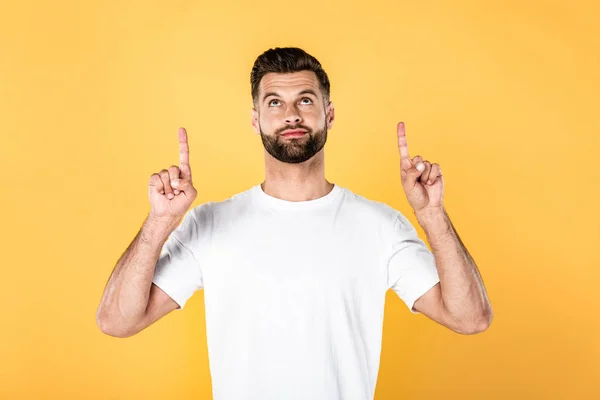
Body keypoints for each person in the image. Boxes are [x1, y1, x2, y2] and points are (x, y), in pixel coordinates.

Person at [96, 47, 492, 400]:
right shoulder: (210, 224)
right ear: (256, 120)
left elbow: (469, 318)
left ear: (329, 113)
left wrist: (432, 216)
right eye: (274, 103)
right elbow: (117, 321)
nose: (291, 115)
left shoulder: (380, 226)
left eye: (305, 100)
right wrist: (158, 224)